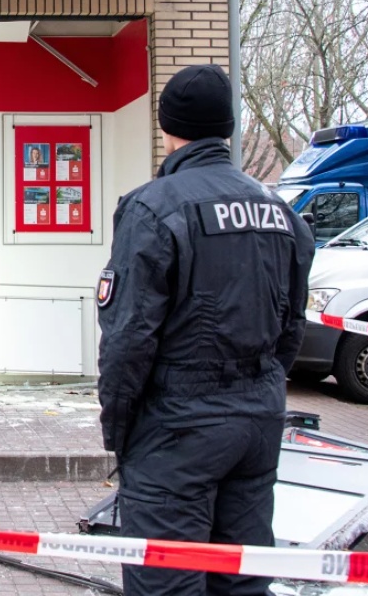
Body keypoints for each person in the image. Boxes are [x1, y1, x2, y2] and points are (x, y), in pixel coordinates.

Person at [96, 64, 314, 596]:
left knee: (167, 582)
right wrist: (258, 388)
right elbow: (293, 325)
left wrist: (119, 432)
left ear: (166, 128)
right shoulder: (279, 211)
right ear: (228, 128)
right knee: (240, 581)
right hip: (256, 424)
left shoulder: (152, 207)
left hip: (177, 429)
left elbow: (128, 339)